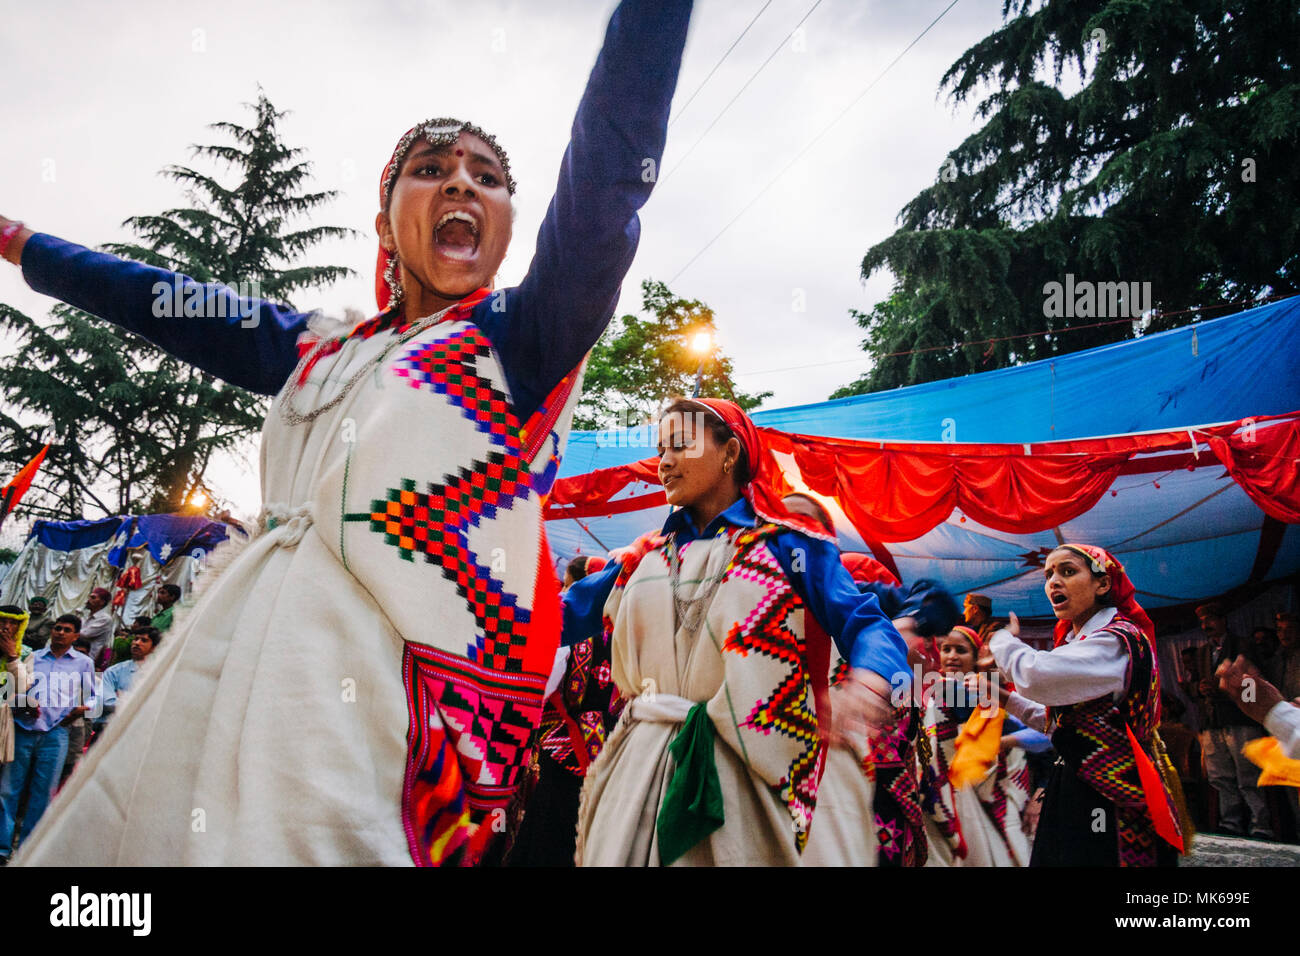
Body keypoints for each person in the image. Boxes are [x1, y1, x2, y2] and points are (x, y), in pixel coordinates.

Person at [5, 0, 694, 866]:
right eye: (431, 168)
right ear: (384, 227)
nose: (461, 184)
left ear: (511, 228)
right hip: (225, 685)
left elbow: (605, 179)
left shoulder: (526, 340)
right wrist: (26, 245)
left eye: (486, 176)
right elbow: (159, 297)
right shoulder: (316, 350)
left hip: (385, 728)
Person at [569, 398, 910, 866]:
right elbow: (555, 617)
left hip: (746, 773)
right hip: (641, 769)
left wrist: (867, 684)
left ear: (730, 453)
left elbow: (866, 623)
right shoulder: (641, 557)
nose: (663, 462)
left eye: (679, 446)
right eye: (659, 449)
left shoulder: (788, 547)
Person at [988, 545, 1183, 866]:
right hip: (1077, 784)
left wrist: (1000, 638)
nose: (1053, 581)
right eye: (1048, 574)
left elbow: (1037, 675)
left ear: (1103, 584)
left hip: (1110, 795)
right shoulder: (1083, 643)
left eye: (1068, 571)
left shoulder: (1117, 640)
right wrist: (1006, 698)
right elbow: (1065, 723)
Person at [919, 626, 1032, 867]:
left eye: (961, 650)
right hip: (940, 793)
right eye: (946, 649)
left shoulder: (976, 692)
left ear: (975, 657)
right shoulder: (931, 689)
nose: (951, 656)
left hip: (975, 795)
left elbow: (1030, 735)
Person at [0, 614, 95, 863]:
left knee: (43, 793)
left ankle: (29, 850)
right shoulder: (32, 657)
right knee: (9, 790)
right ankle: (2, 848)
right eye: (57, 628)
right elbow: (10, 693)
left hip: (56, 732)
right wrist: (24, 703)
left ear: (76, 636)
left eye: (67, 630)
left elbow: (93, 699)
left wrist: (80, 709)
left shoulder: (83, 663)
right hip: (23, 728)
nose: (60, 632)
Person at [1192, 602, 1273, 838]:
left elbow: (1254, 685)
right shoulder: (1202, 652)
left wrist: (1227, 690)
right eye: (1203, 622)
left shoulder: (1243, 646)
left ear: (1223, 621)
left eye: (1211, 620)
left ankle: (1261, 824)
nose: (1206, 625)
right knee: (1220, 776)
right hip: (1212, 722)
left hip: (1241, 720)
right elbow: (1194, 685)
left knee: (1248, 775)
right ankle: (1231, 822)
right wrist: (1199, 688)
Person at [93, 628, 160, 737]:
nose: (137, 643)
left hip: (143, 729)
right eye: (136, 639)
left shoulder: (158, 671)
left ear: (154, 647)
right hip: (108, 727)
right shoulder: (115, 671)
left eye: (144, 640)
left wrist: (123, 698)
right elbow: (107, 702)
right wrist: (139, 702)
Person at [0, 607, 35, 767]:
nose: (6, 627)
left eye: (13, 623)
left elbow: (21, 687)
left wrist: (12, 656)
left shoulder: (26, 653)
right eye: (2, 621)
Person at [79, 588, 114, 668]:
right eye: (90, 597)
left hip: (89, 658)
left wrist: (71, 632)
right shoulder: (86, 615)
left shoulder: (105, 619)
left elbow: (85, 634)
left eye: (93, 597)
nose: (89, 600)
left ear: (102, 602)